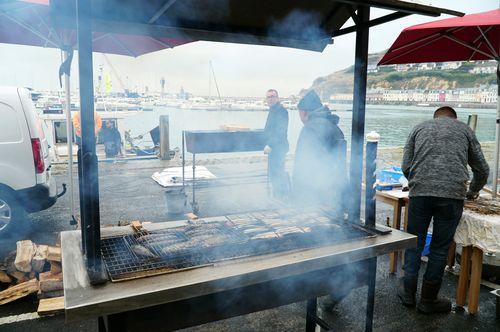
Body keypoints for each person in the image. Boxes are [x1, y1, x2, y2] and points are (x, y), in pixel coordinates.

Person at [399, 106, 489, 314]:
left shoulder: (419, 128)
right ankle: (428, 300)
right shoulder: (465, 130)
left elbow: (405, 165)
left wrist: (416, 181)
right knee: (440, 248)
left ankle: (407, 293)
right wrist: (472, 191)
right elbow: (482, 169)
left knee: (414, 241)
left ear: (436, 117)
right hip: (452, 195)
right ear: (454, 118)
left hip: (420, 193)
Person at [292, 89, 347, 211]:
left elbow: (304, 164)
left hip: (316, 194)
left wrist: (298, 194)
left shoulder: (309, 129)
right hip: (336, 189)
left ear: (304, 112)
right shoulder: (334, 126)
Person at [263, 89, 289, 199]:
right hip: (275, 147)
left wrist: (270, 145)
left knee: (277, 172)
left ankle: (281, 196)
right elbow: (270, 129)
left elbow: (280, 131)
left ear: (277, 98)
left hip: (279, 147)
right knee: (274, 172)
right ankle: (278, 195)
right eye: (268, 97)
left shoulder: (281, 111)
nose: (270, 99)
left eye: (272, 96)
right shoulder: (273, 110)